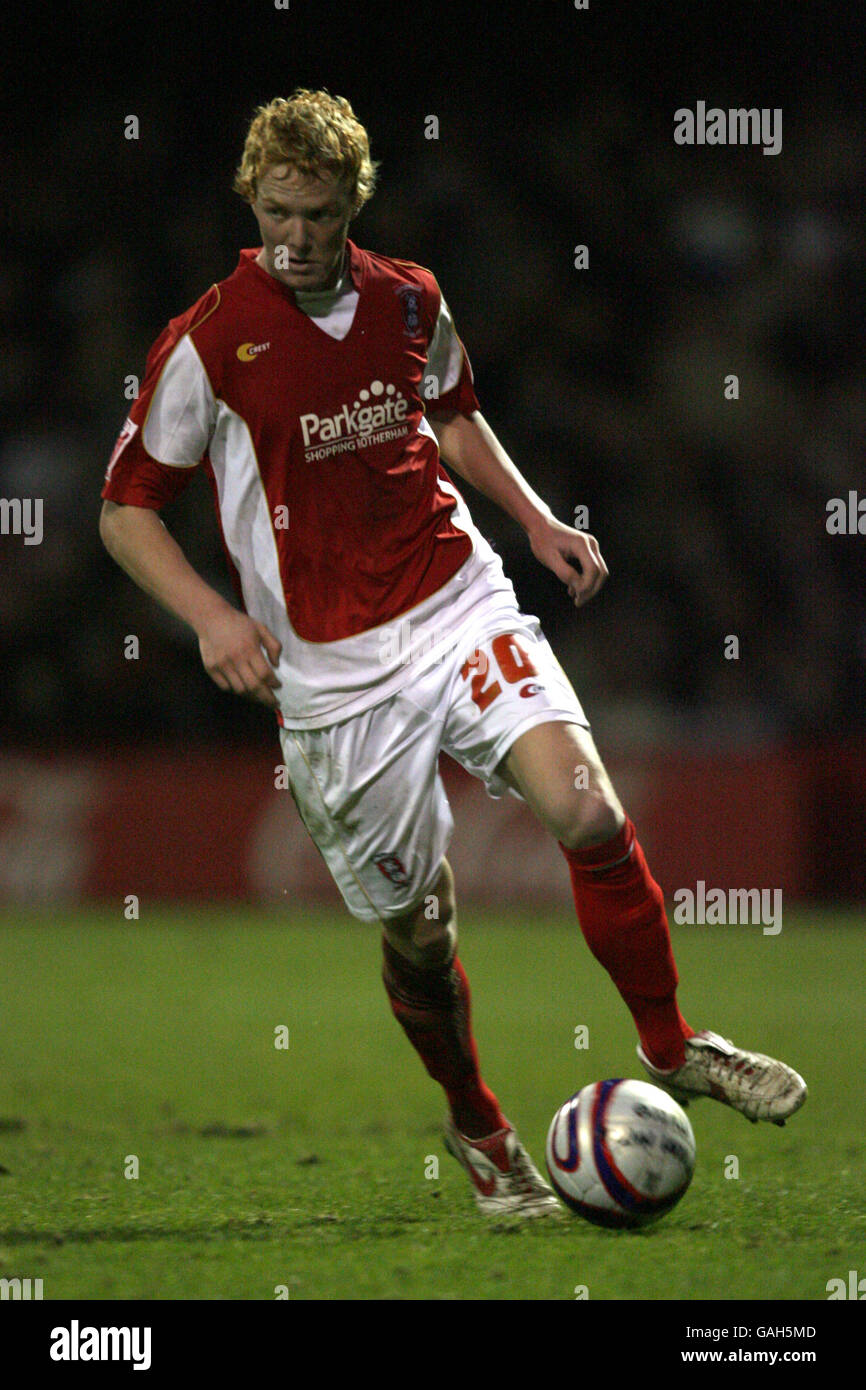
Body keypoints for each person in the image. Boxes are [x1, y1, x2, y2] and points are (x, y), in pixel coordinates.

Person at [99, 89, 806, 1219]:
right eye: (277, 212)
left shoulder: (408, 297)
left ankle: (672, 1044)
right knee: (420, 937)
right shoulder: (206, 341)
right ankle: (479, 1129)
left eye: (318, 215)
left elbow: (453, 412)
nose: (295, 237)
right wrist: (212, 618)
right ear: (252, 200)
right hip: (330, 674)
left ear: (351, 206)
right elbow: (126, 508)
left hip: (452, 598)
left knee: (581, 807)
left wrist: (534, 521)